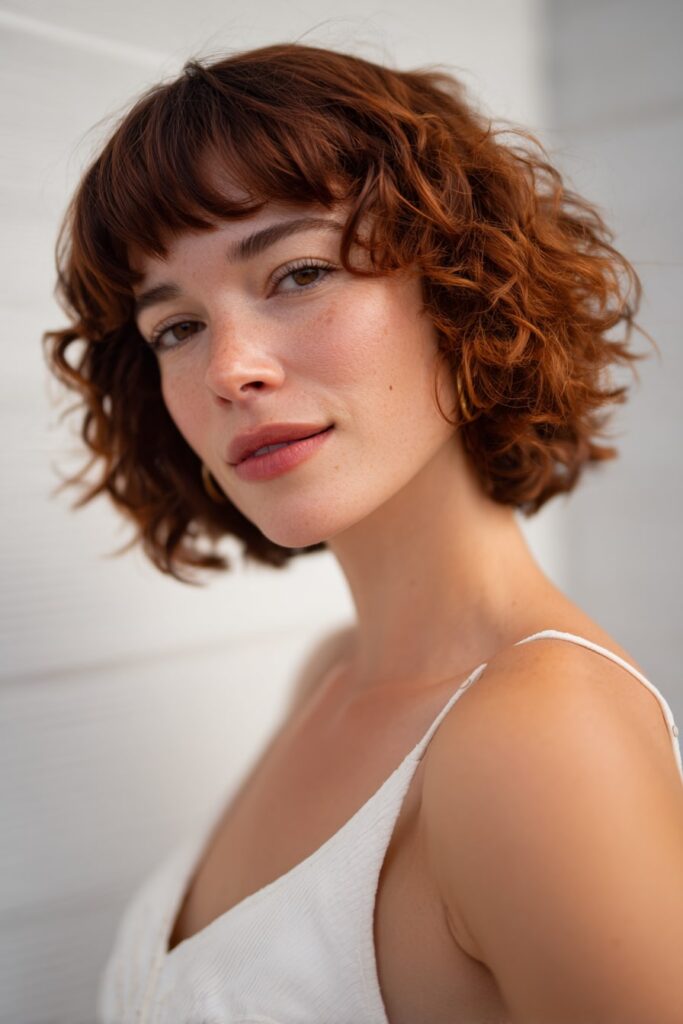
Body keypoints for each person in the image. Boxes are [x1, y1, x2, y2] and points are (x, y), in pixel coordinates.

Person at [42, 42, 683, 1024]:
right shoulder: (333, 674)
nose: (229, 368)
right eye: (176, 326)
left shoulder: (539, 737)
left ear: (459, 285)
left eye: (295, 271)